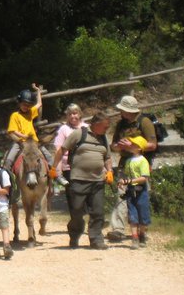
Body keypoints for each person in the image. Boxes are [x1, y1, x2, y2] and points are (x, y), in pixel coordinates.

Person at [54, 112, 113, 250]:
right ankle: (74, 236)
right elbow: (62, 150)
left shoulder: (103, 138)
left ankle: (96, 239)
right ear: (96, 125)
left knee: (98, 211)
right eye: (105, 127)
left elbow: (107, 157)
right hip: (78, 179)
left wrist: (109, 171)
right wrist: (54, 168)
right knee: (77, 211)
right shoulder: (79, 134)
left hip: (97, 181)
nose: (107, 129)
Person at [106, 95, 158, 242]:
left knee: (141, 197)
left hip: (141, 165)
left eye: (122, 109)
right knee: (122, 195)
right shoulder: (120, 125)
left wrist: (133, 146)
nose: (120, 112)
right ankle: (118, 229)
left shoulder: (145, 122)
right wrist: (119, 146)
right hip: (125, 164)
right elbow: (113, 145)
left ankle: (142, 230)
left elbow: (152, 145)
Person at [4, 83, 52, 169]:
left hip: (34, 142)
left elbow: (39, 104)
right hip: (20, 142)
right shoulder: (15, 115)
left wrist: (38, 91)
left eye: (28, 105)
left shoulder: (30, 112)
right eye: (24, 104)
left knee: (49, 157)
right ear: (19, 103)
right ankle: (7, 179)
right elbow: (13, 130)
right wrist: (23, 136)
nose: (26, 107)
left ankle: (55, 176)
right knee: (9, 160)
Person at [119, 136, 151, 249]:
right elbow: (126, 174)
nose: (130, 145)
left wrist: (129, 181)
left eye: (133, 144)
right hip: (131, 191)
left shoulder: (143, 161)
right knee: (132, 215)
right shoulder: (128, 161)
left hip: (141, 191)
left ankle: (142, 235)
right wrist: (122, 181)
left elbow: (144, 178)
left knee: (143, 214)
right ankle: (135, 238)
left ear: (139, 148)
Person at [53, 103, 88, 183]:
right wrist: (57, 169)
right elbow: (58, 150)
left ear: (80, 114)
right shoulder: (63, 129)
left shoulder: (87, 127)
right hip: (69, 166)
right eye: (70, 114)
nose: (72, 116)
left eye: (75, 113)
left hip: (86, 164)